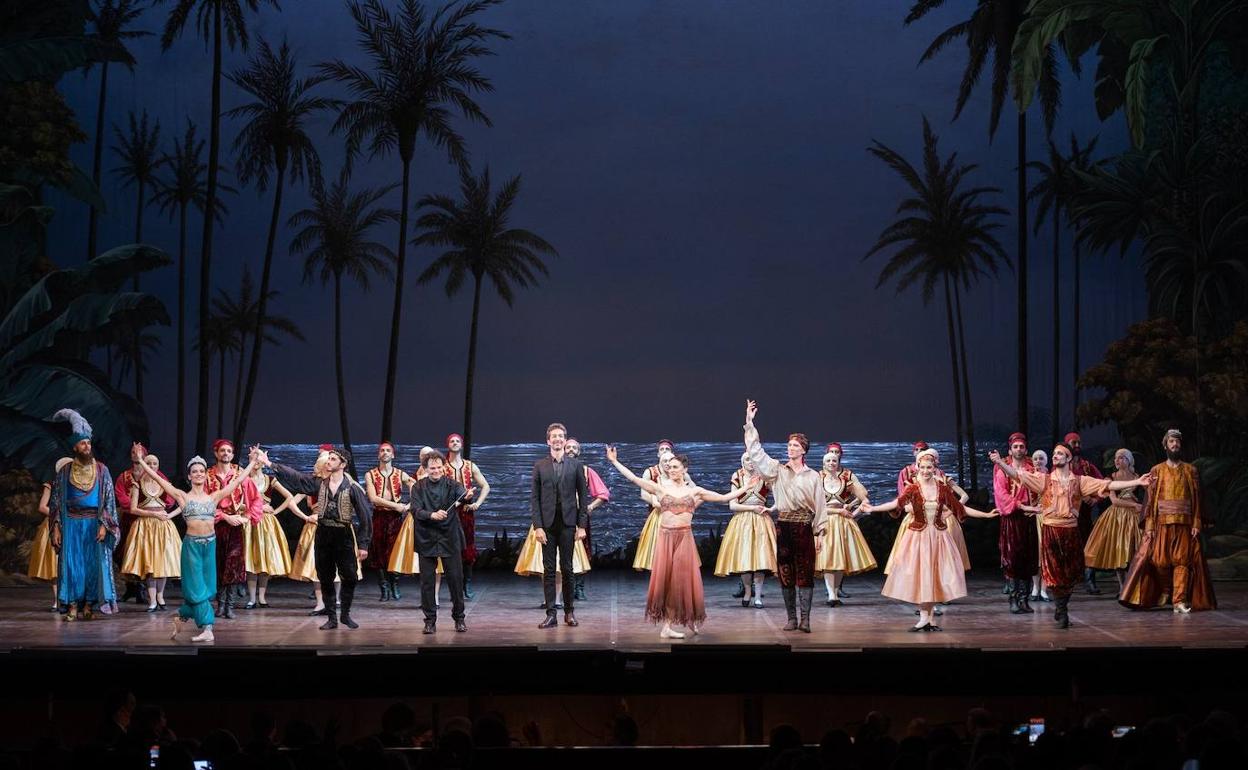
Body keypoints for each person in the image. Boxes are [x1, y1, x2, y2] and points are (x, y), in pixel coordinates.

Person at [990, 443, 1152, 628]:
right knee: (1053, 573)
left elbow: (1107, 484)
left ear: (1068, 458)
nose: (1055, 456)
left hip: (1070, 530)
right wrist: (1000, 463)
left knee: (1071, 573)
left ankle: (1062, 606)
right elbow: (1017, 475)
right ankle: (1061, 609)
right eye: (1054, 454)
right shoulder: (1044, 480)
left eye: (1060, 453)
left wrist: (1137, 482)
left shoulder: (1080, 481)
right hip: (1051, 530)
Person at [607, 447, 751, 638]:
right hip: (666, 538)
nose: (670, 469)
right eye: (669, 467)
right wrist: (614, 461)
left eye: (675, 467)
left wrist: (745, 488)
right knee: (667, 582)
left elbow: (724, 498)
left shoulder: (695, 491)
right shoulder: (660, 488)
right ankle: (666, 626)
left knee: (682, 581)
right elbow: (634, 479)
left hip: (684, 539)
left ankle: (688, 618)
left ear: (684, 469)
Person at [860, 448, 999, 631]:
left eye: (929, 467)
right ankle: (925, 617)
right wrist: (872, 509)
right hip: (918, 537)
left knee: (935, 577)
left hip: (939, 537)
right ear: (917, 468)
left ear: (935, 468)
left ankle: (930, 619)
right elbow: (896, 504)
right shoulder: (913, 488)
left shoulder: (942, 488)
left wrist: (986, 515)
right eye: (923, 467)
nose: (926, 471)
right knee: (921, 576)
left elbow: (960, 508)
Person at [135, 447, 260, 643]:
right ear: (189, 476)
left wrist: (252, 462)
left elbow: (237, 480)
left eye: (202, 471)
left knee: (208, 589)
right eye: (195, 471)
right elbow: (158, 479)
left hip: (209, 545)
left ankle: (181, 616)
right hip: (191, 547)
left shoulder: (214, 497)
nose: (199, 474)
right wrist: (141, 461)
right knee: (196, 588)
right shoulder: (182, 496)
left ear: (205, 474)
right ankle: (207, 628)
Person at [257, 445, 372, 629]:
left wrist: (364, 544)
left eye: (333, 459)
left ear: (343, 464)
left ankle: (345, 614)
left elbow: (365, 516)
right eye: (329, 458)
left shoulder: (351, 488)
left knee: (349, 577)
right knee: (324, 577)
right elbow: (297, 478)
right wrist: (269, 463)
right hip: (323, 533)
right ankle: (332, 618)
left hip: (343, 534)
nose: (329, 461)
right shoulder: (319, 484)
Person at [743, 400, 827, 633]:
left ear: (803, 450)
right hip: (784, 526)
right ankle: (791, 618)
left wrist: (820, 532)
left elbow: (820, 504)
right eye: (789, 445)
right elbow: (757, 453)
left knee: (806, 573)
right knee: (786, 573)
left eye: (795, 445)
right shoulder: (777, 470)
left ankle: (806, 620)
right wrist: (750, 423)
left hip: (804, 527)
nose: (790, 448)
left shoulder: (813, 476)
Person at [1120, 429, 1217, 613]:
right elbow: (1150, 499)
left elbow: (1197, 498)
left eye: (1177, 442)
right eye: (1171, 442)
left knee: (1182, 561)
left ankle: (1179, 601)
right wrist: (1149, 526)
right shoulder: (1157, 470)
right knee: (1159, 561)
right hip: (1161, 522)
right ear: (1165, 445)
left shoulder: (1190, 470)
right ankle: (1165, 590)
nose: (1175, 445)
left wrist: (1196, 522)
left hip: (1185, 523)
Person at [49, 409, 120, 620]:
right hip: (71, 523)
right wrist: (56, 528)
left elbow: (108, 499)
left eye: (88, 443)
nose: (87, 446)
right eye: (82, 443)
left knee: (91, 566)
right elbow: (54, 503)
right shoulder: (64, 472)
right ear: (75, 447)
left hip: (93, 524)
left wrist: (103, 524)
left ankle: (89, 604)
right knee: (73, 566)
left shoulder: (101, 470)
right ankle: (72, 605)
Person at [405, 450, 475, 633]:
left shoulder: (453, 484)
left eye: (438, 467)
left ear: (443, 467)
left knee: (455, 581)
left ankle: (459, 618)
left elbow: (464, 495)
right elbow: (415, 510)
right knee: (427, 583)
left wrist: (468, 496)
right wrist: (432, 515)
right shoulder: (418, 487)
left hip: (449, 537)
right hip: (426, 538)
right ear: (426, 469)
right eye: (432, 468)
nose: (435, 471)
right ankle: (429, 621)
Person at [530, 422, 589, 629]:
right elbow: (534, 499)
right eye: (553, 436)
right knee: (548, 570)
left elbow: (583, 496)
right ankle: (551, 614)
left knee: (567, 568)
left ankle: (569, 612)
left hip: (567, 524)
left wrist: (581, 525)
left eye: (560, 436)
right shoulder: (540, 466)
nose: (557, 439)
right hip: (546, 525)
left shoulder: (576, 465)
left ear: (565, 440)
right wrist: (537, 526)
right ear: (548, 441)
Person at [205, 439, 263, 619]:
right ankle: (220, 605)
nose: (226, 454)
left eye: (229, 451)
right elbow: (203, 503)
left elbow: (256, 499)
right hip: (216, 524)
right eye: (222, 451)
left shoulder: (240, 474)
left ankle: (229, 605)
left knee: (234, 565)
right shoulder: (207, 476)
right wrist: (223, 516)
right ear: (216, 453)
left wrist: (247, 518)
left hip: (236, 525)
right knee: (218, 564)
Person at [814, 444, 876, 607]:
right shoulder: (817, 480)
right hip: (826, 521)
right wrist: (839, 512)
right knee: (827, 557)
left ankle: (835, 591)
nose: (832, 463)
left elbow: (864, 498)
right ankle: (831, 594)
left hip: (843, 524)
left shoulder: (847, 481)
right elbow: (814, 507)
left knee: (841, 558)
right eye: (828, 460)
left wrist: (852, 513)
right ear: (824, 463)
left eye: (834, 460)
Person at [713, 451, 776, 608]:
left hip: (761, 521)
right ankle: (748, 591)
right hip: (742, 522)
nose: (750, 462)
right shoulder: (737, 476)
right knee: (745, 559)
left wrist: (771, 508)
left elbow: (780, 494)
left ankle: (758, 595)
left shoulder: (764, 477)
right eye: (747, 459)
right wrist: (752, 508)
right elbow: (732, 505)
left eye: (753, 459)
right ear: (742, 462)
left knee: (761, 560)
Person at [121, 453, 182, 611]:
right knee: (149, 564)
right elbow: (133, 509)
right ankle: (152, 600)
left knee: (162, 563)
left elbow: (182, 502)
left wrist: (168, 515)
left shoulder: (164, 485)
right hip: (145, 527)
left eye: (155, 463)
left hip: (163, 527)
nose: (152, 466)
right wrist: (153, 514)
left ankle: (160, 598)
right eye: (149, 463)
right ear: (143, 464)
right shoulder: (137, 485)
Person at [992, 432, 1040, 614]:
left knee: (1029, 559)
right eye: (1015, 447)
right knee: (1012, 559)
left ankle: (1024, 599)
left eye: (1021, 446)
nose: (1019, 449)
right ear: (1010, 450)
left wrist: (1037, 506)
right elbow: (1001, 495)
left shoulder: (1032, 469)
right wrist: (1022, 506)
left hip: (1029, 519)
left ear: (1026, 449)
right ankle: (1013, 600)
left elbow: (1042, 489)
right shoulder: (1003, 469)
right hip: (1012, 519)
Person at [1084, 448, 1144, 592]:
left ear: (1129, 460)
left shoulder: (1138, 477)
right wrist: (1134, 504)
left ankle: (1135, 587)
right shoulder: (1110, 478)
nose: (1117, 460)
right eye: (1116, 458)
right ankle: (1122, 587)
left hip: (1135, 517)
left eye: (1122, 457)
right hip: (1117, 516)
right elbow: (1115, 500)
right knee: (1119, 551)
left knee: (1136, 550)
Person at [389, 447, 444, 597]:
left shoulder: (439, 473)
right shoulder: (415, 475)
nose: (426, 457)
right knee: (421, 560)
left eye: (428, 455)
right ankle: (426, 595)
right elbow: (415, 496)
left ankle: (436, 596)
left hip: (435, 519)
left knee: (437, 562)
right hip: (417, 518)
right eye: (423, 456)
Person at [364, 442, 415, 602]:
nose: (385, 453)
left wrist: (410, 504)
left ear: (393, 455)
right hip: (379, 516)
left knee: (395, 551)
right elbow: (373, 498)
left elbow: (416, 485)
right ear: (378, 455)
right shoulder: (370, 474)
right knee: (378, 552)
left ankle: (394, 584)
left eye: (388, 451)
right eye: (382, 451)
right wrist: (398, 506)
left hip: (395, 519)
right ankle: (384, 588)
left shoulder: (400, 474)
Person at [444, 433, 491, 599]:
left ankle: (467, 583)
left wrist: (477, 503)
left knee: (468, 547)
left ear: (461, 445)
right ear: (447, 444)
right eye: (452, 441)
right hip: (448, 513)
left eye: (457, 441)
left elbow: (485, 486)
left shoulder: (470, 466)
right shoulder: (442, 466)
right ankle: (454, 586)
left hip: (465, 513)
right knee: (451, 549)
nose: (455, 443)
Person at [243, 459, 295, 608]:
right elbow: (237, 501)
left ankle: (262, 597)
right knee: (251, 560)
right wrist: (253, 509)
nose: (256, 462)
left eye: (259, 460)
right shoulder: (244, 480)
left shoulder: (269, 480)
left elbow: (289, 496)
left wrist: (275, 511)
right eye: (253, 459)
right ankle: (252, 598)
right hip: (251, 521)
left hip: (266, 523)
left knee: (265, 559)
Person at [564, 437, 609, 601]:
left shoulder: (586, 471)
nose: (570, 450)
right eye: (568, 447)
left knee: (582, 551)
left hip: (579, 518)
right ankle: (564, 588)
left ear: (579, 451)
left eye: (574, 448)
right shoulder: (556, 468)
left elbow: (603, 494)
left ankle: (579, 588)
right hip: (560, 517)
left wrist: (590, 507)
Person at [1065, 431, 1107, 594]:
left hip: (1085, 515)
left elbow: (1103, 484)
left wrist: (1096, 499)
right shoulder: (1061, 466)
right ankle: (1068, 581)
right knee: (1068, 547)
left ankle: (1090, 581)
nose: (1077, 446)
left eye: (1078, 443)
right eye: (1073, 443)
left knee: (1089, 546)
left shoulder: (1087, 467)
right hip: (1067, 514)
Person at [632, 441, 680, 571]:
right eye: (662, 449)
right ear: (658, 454)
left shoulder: (679, 473)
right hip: (658, 514)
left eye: (667, 449)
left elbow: (691, 489)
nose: (664, 450)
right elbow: (644, 494)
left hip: (676, 517)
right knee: (657, 550)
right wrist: (656, 501)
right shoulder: (651, 472)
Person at [29, 458, 69, 611]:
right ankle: (57, 599)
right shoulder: (51, 485)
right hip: (54, 525)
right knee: (55, 565)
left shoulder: (77, 487)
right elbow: (42, 506)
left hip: (72, 526)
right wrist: (59, 515)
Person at [1029, 449, 1051, 602]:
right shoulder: (1028, 477)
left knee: (1046, 553)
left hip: (1047, 517)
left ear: (1046, 460)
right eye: (1035, 458)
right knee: (1034, 553)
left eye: (1041, 458)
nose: (1038, 461)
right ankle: (1035, 587)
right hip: (1031, 516)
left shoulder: (1051, 478)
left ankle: (1044, 589)